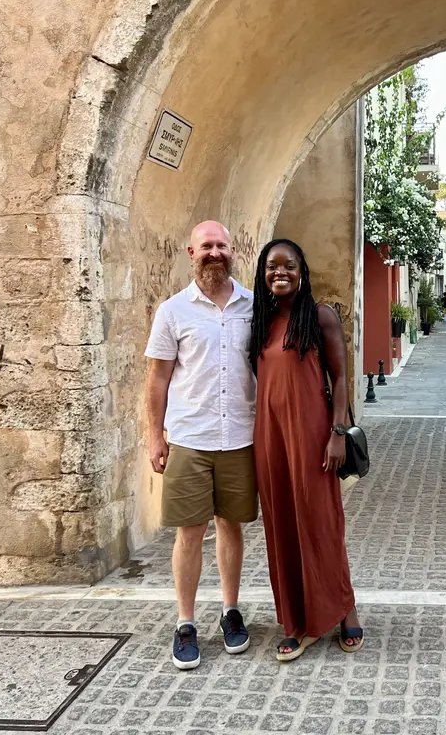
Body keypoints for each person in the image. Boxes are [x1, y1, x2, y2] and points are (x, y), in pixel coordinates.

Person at [145, 220, 258, 670]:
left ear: (234, 251)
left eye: (222, 245)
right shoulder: (173, 311)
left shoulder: (253, 305)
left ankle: (231, 611)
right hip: (190, 437)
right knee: (189, 532)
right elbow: (157, 378)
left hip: (241, 437)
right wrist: (156, 435)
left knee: (232, 526)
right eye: (206, 245)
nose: (214, 252)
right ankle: (186, 622)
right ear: (190, 252)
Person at [249, 239, 363, 662]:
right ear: (263, 275)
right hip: (271, 439)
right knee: (282, 529)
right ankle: (296, 621)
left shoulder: (320, 316)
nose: (280, 273)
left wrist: (337, 432)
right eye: (272, 267)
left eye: (289, 266)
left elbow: (341, 377)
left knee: (321, 523)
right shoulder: (259, 321)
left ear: (303, 272)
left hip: (315, 437)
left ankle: (344, 608)